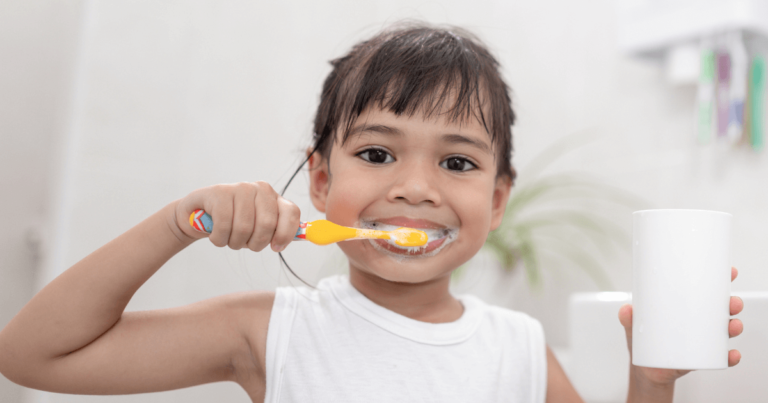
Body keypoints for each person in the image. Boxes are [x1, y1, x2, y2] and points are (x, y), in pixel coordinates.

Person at [0, 22, 744, 403]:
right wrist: (179, 223)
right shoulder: (268, 331)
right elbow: (34, 354)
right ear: (319, 181)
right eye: (379, 154)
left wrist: (651, 383)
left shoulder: (519, 350)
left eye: (456, 162)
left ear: (496, 198)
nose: (417, 188)